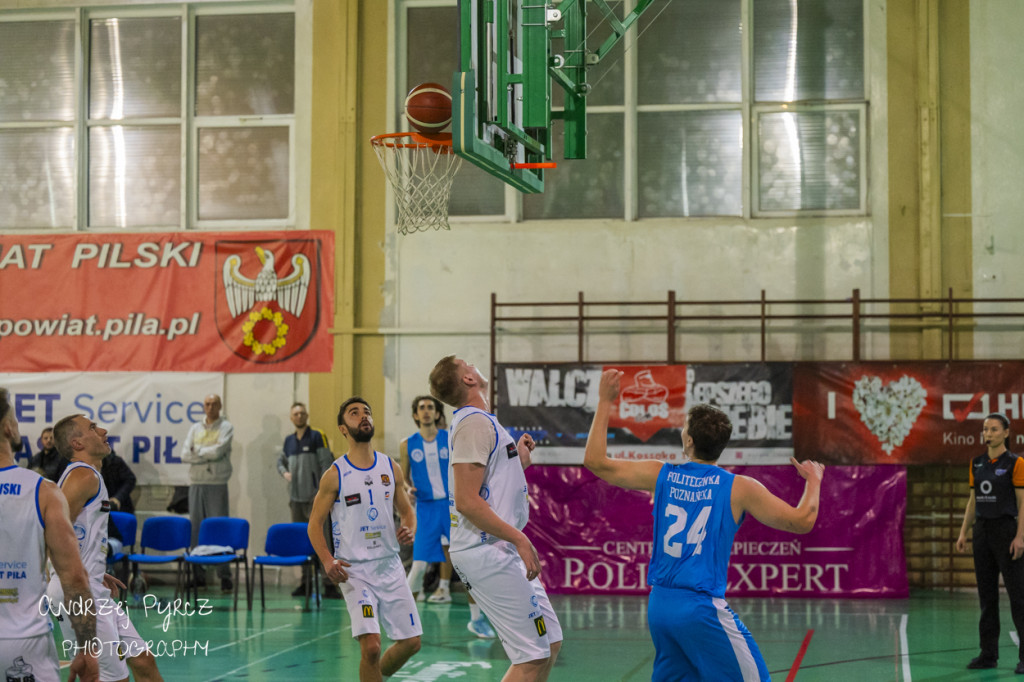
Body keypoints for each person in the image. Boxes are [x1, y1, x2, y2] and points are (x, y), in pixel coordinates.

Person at [584, 369, 824, 682]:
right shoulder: (738, 487)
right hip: (699, 608)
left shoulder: (663, 475)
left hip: (660, 606)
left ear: (688, 440)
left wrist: (604, 402)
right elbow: (802, 520)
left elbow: (595, 461)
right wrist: (815, 482)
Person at [429, 355, 563, 682]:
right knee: (531, 655)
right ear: (468, 380)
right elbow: (466, 500)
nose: (475, 365)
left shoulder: (482, 422)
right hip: (485, 550)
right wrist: (520, 538)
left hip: (497, 547)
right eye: (467, 363)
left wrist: (518, 460)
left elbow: (489, 484)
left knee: (550, 641)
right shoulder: (473, 423)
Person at [307, 397, 421, 682]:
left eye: (366, 412)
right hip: (354, 570)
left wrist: (409, 527)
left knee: (412, 643)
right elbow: (314, 525)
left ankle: (372, 677)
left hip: (390, 566)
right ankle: (371, 672)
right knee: (371, 647)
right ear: (343, 429)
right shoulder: (334, 475)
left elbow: (407, 512)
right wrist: (327, 560)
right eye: (354, 413)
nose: (363, 416)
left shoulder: (390, 467)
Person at [49, 413, 164, 682]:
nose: (102, 430)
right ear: (77, 443)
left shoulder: (88, 476)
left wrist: (94, 570)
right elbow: (50, 529)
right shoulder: (83, 476)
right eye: (92, 427)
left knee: (143, 661)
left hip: (93, 587)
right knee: (111, 679)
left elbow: (73, 535)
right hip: (78, 595)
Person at [0, 390, 99, 682]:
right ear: (8, 427)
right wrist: (88, 648)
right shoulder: (43, 491)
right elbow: (73, 578)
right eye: (15, 419)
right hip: (25, 644)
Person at [400, 395, 496, 638]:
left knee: (467, 563)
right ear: (414, 414)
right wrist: (407, 489)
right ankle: (404, 623)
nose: (425, 411)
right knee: (419, 566)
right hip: (425, 509)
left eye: (430, 407)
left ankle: (476, 620)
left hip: (453, 508)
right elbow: (403, 479)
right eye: (421, 408)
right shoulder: (407, 444)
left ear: (437, 413)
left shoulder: (450, 437)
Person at [956, 413, 1024, 673]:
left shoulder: (1015, 463)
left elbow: (1022, 502)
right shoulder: (977, 464)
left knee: (1019, 597)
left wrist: (1020, 536)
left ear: (1006, 433)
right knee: (987, 597)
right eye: (986, 429)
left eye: (994, 429)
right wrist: (964, 532)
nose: (989, 433)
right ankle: (988, 655)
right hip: (982, 532)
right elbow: (973, 501)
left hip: (1007, 531)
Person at [276, 401, 340, 598]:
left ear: (307, 416)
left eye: (302, 413)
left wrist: (321, 494)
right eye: (295, 414)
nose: (299, 417)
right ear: (291, 417)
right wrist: (284, 472)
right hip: (296, 500)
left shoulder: (317, 436)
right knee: (302, 540)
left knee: (324, 541)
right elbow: (280, 462)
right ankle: (305, 583)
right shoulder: (288, 441)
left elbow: (326, 465)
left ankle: (329, 584)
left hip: (316, 501)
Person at [180, 393, 234, 592]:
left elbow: (219, 452)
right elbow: (185, 455)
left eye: (214, 404)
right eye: (207, 404)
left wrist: (198, 451)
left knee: (219, 529)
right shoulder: (195, 428)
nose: (210, 407)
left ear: (220, 406)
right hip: (196, 483)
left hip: (216, 483)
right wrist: (206, 453)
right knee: (196, 529)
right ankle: (197, 576)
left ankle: (225, 576)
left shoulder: (226, 427)